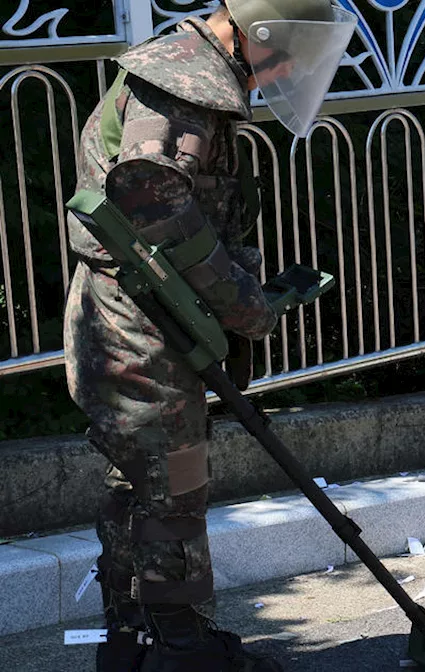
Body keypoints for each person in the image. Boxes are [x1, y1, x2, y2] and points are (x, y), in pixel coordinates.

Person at [63, 1, 355, 669]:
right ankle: (179, 651)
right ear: (257, 34)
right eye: (284, 55)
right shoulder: (182, 83)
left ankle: (135, 643)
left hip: (141, 316)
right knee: (171, 484)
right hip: (138, 324)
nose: (282, 72)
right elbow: (148, 194)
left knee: (139, 480)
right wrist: (242, 301)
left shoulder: (191, 75)